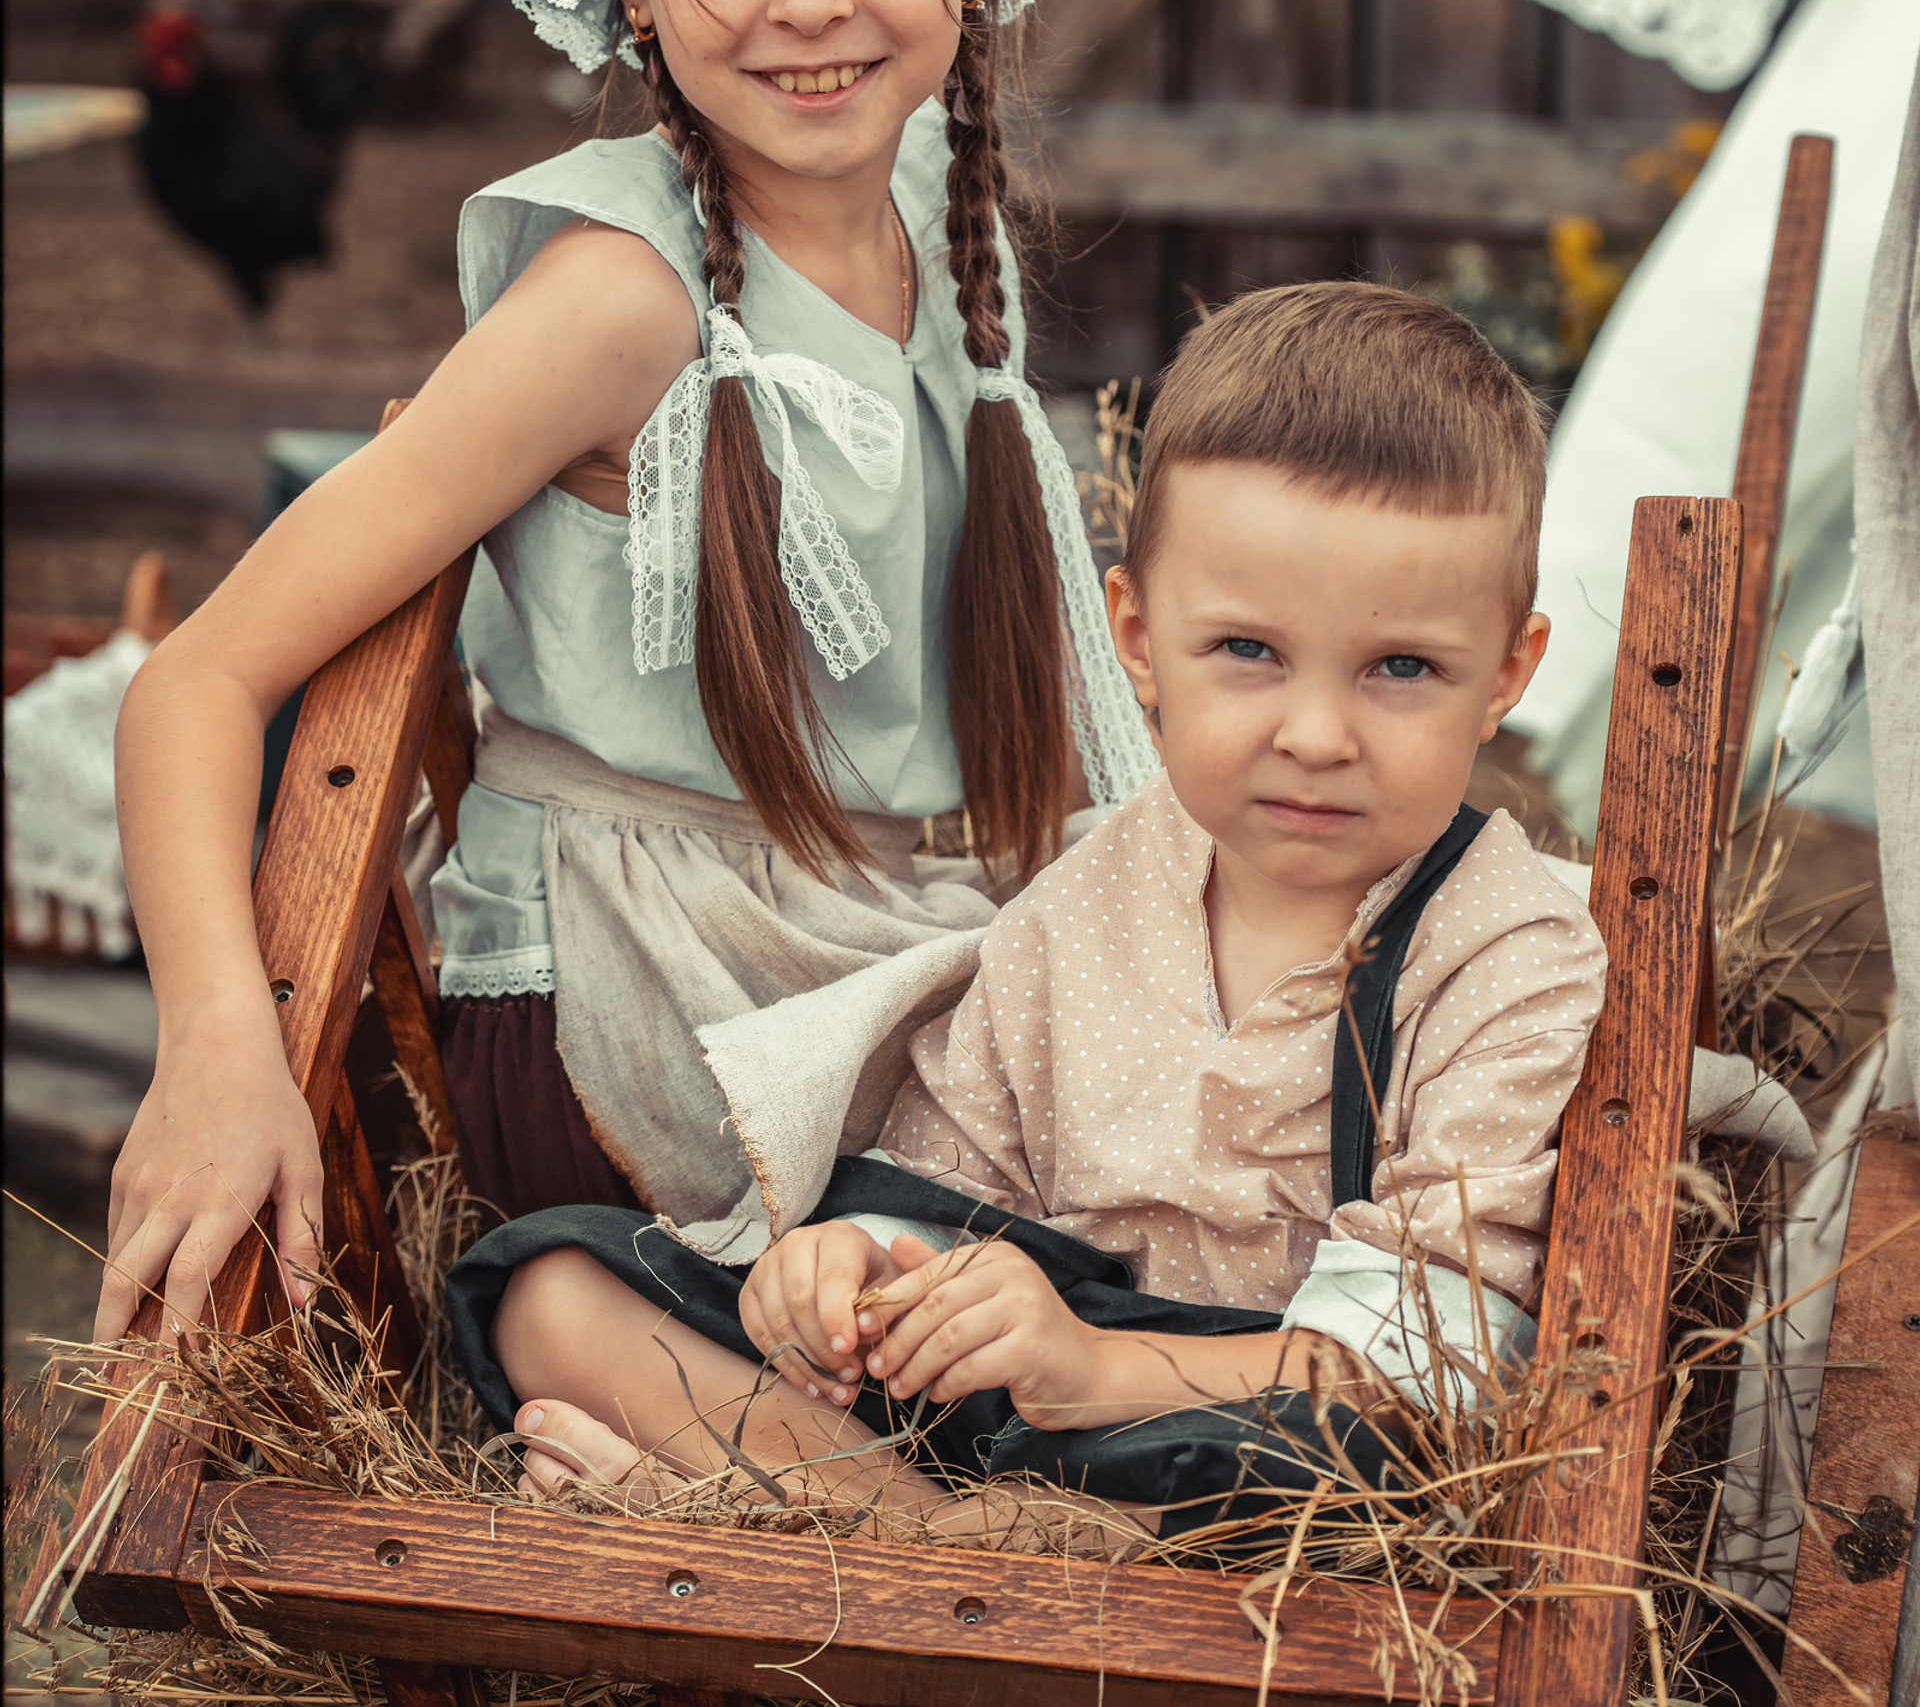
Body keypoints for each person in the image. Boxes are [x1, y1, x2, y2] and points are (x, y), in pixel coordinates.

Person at [95, 0, 1156, 1344]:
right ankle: (880, 1479)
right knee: (1136, 1201)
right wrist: (214, 1044)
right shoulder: (619, 302)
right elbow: (194, 681)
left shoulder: (938, 204)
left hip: (861, 943)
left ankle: (688, 1424)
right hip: (658, 1010)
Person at [443, 281, 1611, 1556]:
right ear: (1139, 638)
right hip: (1023, 1410)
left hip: (1257, 1441)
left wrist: (1094, 1370)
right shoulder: (1094, 893)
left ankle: (790, 1529)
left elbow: (1438, 1377)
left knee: (1371, 1464)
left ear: (1506, 672)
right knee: (551, 1293)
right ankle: (933, 1543)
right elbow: (951, 1185)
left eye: (1402, 669)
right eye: (1247, 652)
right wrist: (855, 1277)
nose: (1316, 735)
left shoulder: (1506, 951)